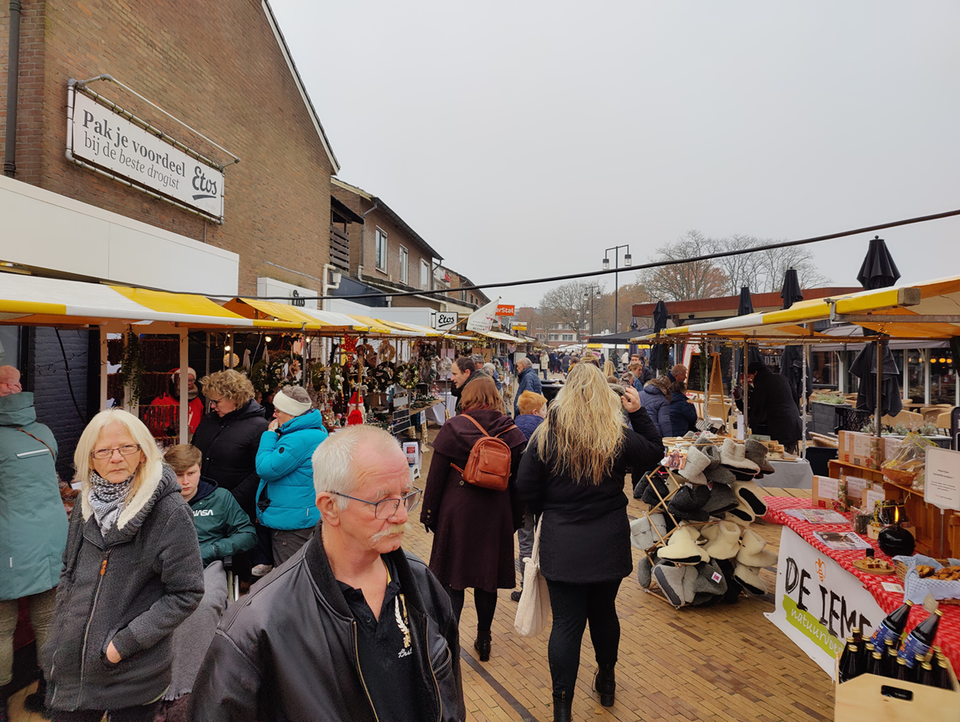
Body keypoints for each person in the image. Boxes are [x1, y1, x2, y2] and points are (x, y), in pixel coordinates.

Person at [189, 426, 465, 722]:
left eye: (406, 495)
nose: (401, 515)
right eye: (383, 501)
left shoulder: (422, 583)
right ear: (330, 507)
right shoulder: (259, 625)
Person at [516, 363, 663, 721]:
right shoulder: (615, 434)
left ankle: (562, 707)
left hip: (562, 541)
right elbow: (654, 452)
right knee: (604, 612)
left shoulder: (547, 436)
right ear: (603, 394)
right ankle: (607, 680)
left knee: (566, 624)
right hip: (607, 539)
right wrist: (638, 412)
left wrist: (549, 508)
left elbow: (524, 487)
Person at [43, 409, 203, 721]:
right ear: (91, 459)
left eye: (126, 447)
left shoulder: (169, 512)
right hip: (76, 666)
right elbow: (69, 571)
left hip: (133, 671)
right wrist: (62, 631)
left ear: (143, 453)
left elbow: (187, 592)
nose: (116, 458)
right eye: (103, 450)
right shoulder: (86, 505)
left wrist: (123, 644)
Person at [420, 376, 526, 663]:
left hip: (458, 512)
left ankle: (450, 643)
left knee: (453, 580)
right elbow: (519, 483)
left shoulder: (454, 428)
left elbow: (435, 477)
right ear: (495, 398)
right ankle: (484, 638)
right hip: (495, 514)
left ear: (467, 398)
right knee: (486, 579)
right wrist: (515, 519)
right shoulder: (512, 432)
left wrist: (430, 515)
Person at [161, 444, 256, 716]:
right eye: (178, 474)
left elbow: (247, 533)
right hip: (165, 567)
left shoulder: (220, 498)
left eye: (191, 473)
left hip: (208, 565)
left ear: (200, 469)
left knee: (201, 606)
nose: (185, 481)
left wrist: (214, 549)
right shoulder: (158, 500)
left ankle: (186, 691)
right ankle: (154, 690)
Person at [0, 366, 67, 720]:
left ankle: (0, 701)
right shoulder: (44, 432)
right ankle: (50, 691)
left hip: (8, 542)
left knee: (2, 628)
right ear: (18, 388)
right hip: (52, 536)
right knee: (47, 620)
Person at [192, 369, 271, 576]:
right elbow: (194, 454)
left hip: (238, 506)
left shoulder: (259, 427)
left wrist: (232, 498)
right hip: (203, 501)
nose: (212, 406)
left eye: (216, 401)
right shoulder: (209, 421)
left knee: (236, 561)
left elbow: (259, 471)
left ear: (234, 398)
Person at [255, 386, 328, 565]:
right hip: (303, 512)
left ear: (291, 412)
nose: (274, 415)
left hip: (291, 519)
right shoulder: (316, 431)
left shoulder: (297, 439)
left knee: (289, 573)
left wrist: (269, 435)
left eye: (278, 410)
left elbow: (266, 468)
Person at [510, 390, 548, 603]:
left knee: (525, 541)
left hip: (520, 495)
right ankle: (545, 586)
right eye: (544, 409)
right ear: (536, 411)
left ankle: (526, 587)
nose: (545, 413)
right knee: (544, 539)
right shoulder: (546, 431)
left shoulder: (512, 429)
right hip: (542, 495)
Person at [741, 361, 803, 453]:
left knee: (779, 456)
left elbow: (757, 409)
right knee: (787, 454)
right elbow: (795, 397)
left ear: (756, 372)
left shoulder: (762, 384)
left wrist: (753, 426)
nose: (751, 379)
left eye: (750, 375)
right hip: (794, 423)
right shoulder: (782, 378)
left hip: (780, 428)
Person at [149, 367, 204, 436]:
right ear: (175, 381)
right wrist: (167, 428)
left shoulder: (197, 401)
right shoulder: (161, 401)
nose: (189, 383)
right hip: (169, 440)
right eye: (184, 380)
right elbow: (150, 422)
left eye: (191, 380)